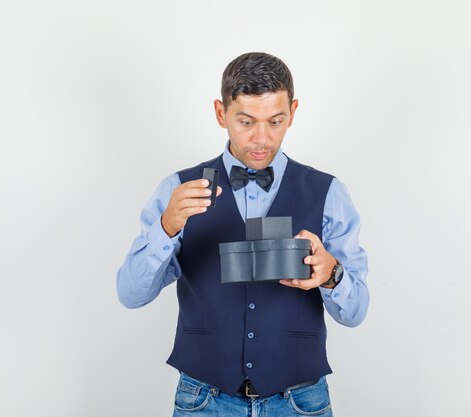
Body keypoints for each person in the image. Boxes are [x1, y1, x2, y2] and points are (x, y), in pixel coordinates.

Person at [117, 52, 369, 417]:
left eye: (276, 121)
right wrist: (166, 227)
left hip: (300, 401)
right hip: (203, 400)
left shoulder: (329, 192)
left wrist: (331, 274)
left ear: (293, 112)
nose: (261, 138)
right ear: (221, 113)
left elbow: (356, 312)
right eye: (246, 122)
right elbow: (130, 294)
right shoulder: (176, 189)